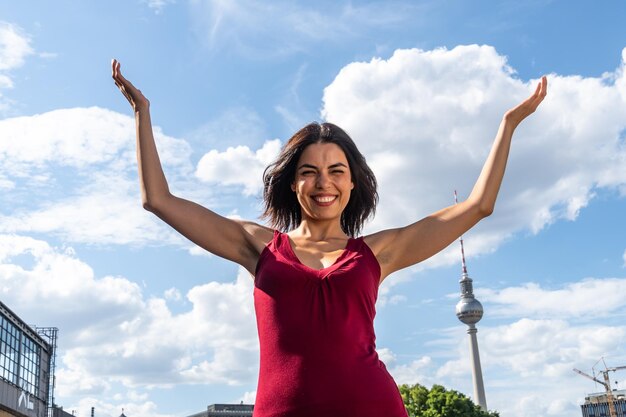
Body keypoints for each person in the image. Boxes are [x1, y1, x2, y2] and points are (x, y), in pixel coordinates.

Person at [112, 59, 547, 417]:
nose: (324, 183)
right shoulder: (258, 246)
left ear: (353, 183)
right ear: (292, 183)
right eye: (309, 171)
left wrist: (509, 125)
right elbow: (159, 200)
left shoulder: (377, 252)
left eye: (337, 171)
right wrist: (141, 114)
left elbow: (477, 206)